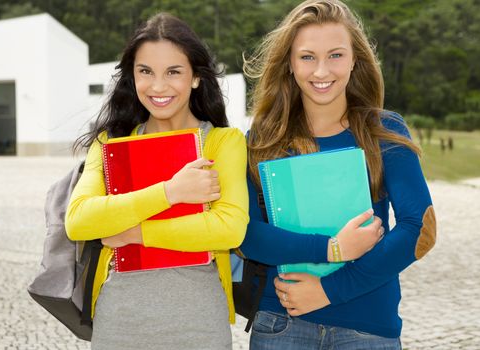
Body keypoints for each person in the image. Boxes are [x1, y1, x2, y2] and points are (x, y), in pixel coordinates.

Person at [240, 0, 436, 349]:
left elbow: (418, 228)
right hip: (281, 323)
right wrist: (331, 249)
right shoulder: (262, 139)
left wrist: (331, 289)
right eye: (307, 57)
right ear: (289, 63)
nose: (321, 71)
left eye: (335, 55)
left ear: (355, 59)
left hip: (368, 327)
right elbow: (245, 234)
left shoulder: (384, 130)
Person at [65, 13, 249, 350]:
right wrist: (171, 192)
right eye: (145, 71)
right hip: (119, 322)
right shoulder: (109, 145)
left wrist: (134, 232)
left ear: (196, 77)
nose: (158, 86)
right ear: (132, 76)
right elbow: (79, 221)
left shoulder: (224, 142)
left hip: (199, 324)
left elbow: (230, 228)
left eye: (174, 72)